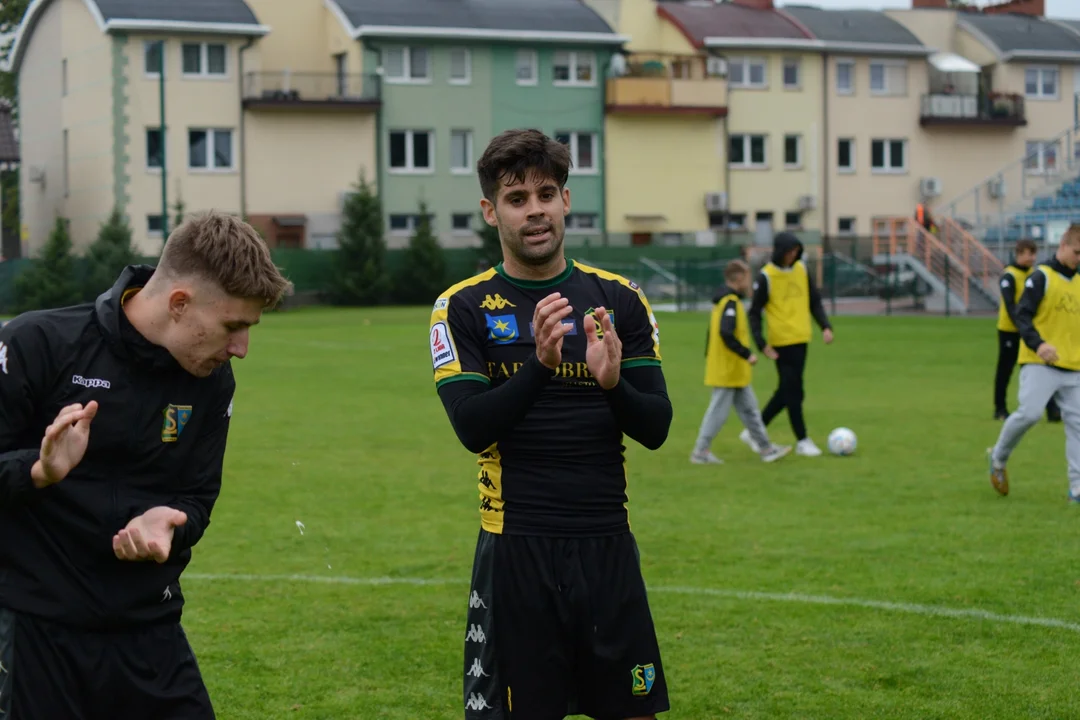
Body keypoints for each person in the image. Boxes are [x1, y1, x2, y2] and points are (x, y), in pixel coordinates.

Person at [0, 212, 292, 719]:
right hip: (36, 635)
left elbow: (198, 498)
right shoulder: (37, 344)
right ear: (179, 303)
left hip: (149, 630)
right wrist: (38, 471)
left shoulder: (211, 379)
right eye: (233, 326)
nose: (241, 349)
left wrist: (171, 523)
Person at [430, 128, 672, 720]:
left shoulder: (620, 300)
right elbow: (471, 427)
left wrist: (613, 383)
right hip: (516, 553)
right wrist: (541, 365)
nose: (534, 211)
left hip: (607, 545)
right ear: (492, 212)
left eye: (546, 193)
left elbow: (657, 426)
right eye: (516, 199)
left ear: (566, 200)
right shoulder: (460, 306)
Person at [988, 224, 1080, 500]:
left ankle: (1077, 487)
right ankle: (998, 458)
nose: (1079, 258)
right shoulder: (1042, 277)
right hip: (1040, 362)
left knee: (1078, 425)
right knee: (1029, 414)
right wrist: (1039, 344)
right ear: (1063, 245)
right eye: (1077, 252)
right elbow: (1022, 315)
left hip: (1073, 365)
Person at [691, 259, 792, 465]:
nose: (749, 282)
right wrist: (747, 354)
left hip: (734, 371)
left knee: (750, 411)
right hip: (728, 370)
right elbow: (725, 333)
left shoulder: (726, 301)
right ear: (738, 278)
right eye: (747, 277)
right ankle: (700, 452)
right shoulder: (729, 302)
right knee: (718, 413)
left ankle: (766, 449)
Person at [745, 232, 833, 457]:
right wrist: (761, 343)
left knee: (788, 390)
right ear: (779, 251)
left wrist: (825, 326)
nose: (792, 255)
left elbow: (814, 300)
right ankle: (803, 440)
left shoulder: (802, 270)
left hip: (801, 338)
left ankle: (755, 429)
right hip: (780, 343)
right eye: (789, 251)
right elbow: (754, 313)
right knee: (793, 391)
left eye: (795, 251)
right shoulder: (766, 276)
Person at [994, 239, 1061, 422]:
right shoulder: (1009, 276)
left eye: (1034, 254)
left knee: (1042, 367)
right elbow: (1010, 305)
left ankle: (1052, 409)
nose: (1032, 258)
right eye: (1029, 254)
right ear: (1019, 254)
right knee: (1005, 369)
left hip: (1030, 332)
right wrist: (1022, 326)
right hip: (1010, 331)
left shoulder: (1035, 274)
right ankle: (999, 408)